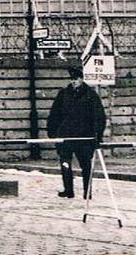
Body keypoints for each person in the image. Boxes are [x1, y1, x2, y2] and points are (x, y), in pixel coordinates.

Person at [46, 65, 107, 199]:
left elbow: (99, 116)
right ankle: (68, 190)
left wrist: (97, 135)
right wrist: (52, 132)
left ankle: (87, 191)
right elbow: (54, 114)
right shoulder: (63, 94)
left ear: (82, 79)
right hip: (65, 136)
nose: (74, 81)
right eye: (72, 79)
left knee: (86, 165)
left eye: (77, 79)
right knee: (65, 163)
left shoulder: (90, 95)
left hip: (84, 137)